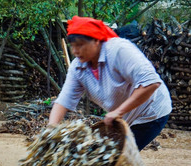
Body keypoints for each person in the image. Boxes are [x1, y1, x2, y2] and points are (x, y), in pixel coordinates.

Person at [48, 16, 172, 151]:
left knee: (116, 160)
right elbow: (63, 101)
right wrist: (50, 131)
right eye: (72, 46)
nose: (75, 51)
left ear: (95, 40)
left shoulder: (118, 50)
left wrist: (118, 112)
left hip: (150, 112)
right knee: (98, 158)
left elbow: (151, 83)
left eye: (80, 45)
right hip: (124, 117)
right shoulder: (78, 67)